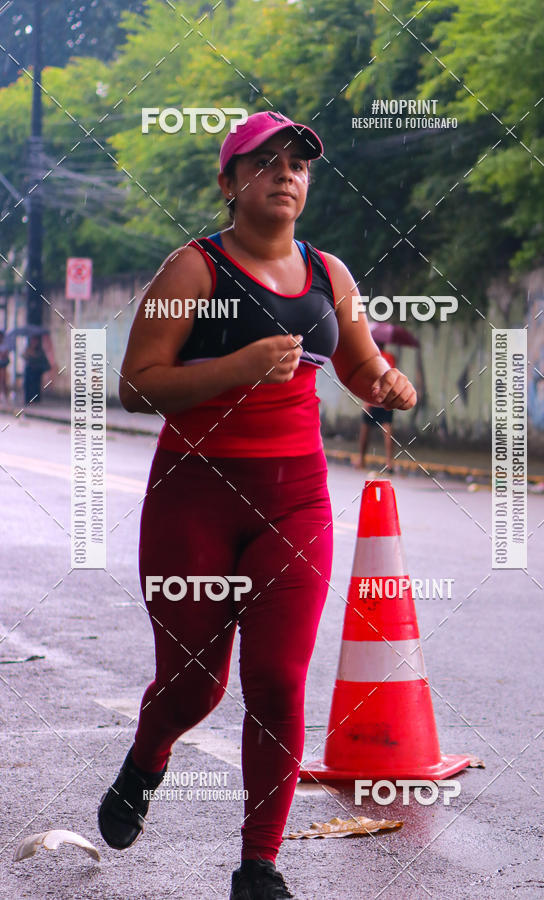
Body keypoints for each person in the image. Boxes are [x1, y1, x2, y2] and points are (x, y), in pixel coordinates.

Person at [97, 110, 417, 899]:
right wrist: (237, 365)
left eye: (299, 164)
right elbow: (137, 384)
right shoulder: (193, 270)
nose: (286, 174)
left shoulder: (329, 275)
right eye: (266, 162)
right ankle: (147, 758)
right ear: (230, 181)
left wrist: (386, 384)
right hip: (194, 502)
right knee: (196, 685)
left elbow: (360, 364)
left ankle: (259, 864)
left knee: (277, 679)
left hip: (296, 502)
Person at [358, 340, 398, 473]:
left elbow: (369, 380)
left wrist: (366, 402)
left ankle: (361, 460)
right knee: (387, 431)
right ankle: (389, 462)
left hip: (372, 399)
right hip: (386, 400)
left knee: (365, 432)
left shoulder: (372, 358)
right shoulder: (390, 357)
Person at [22, 335, 50, 404]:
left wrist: (34, 355)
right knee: (28, 386)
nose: (34, 342)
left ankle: (36, 400)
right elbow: (24, 356)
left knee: (36, 386)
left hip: (37, 371)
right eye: (33, 340)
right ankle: (28, 400)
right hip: (29, 370)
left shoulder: (40, 350)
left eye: (35, 341)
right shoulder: (28, 348)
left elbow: (41, 358)